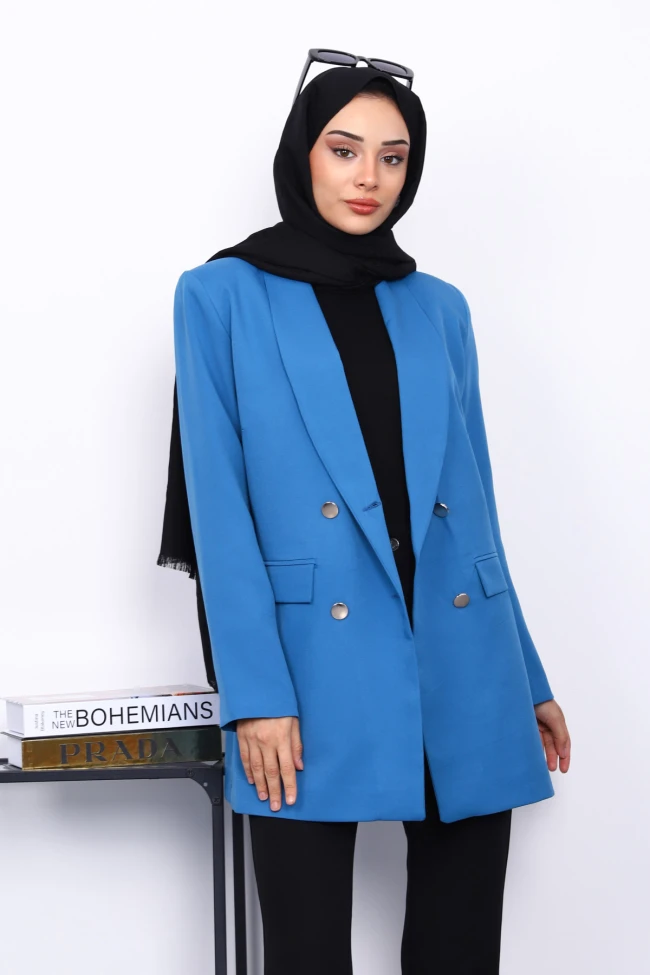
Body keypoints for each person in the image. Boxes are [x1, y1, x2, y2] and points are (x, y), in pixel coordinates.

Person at [157, 57, 571, 974]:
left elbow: (475, 512)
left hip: (464, 659)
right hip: (307, 670)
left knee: (462, 947)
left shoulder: (440, 308)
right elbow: (220, 516)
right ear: (303, 153)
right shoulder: (220, 296)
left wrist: (526, 675)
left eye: (393, 156)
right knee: (306, 952)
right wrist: (255, 696)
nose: (368, 177)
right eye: (344, 151)